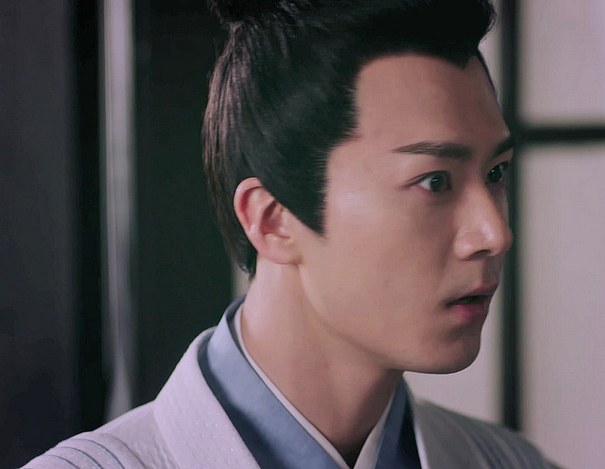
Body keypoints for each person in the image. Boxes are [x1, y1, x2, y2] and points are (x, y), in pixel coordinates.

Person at [26, 0, 556, 467]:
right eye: (435, 181)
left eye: (496, 173)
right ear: (273, 218)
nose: (494, 233)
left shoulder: (511, 462)